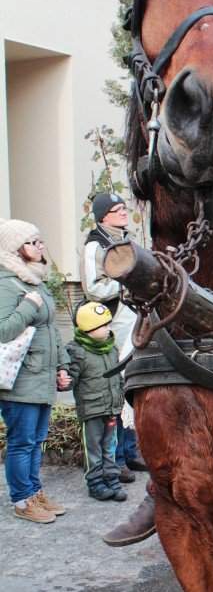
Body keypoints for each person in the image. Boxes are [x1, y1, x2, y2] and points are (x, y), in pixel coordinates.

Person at [0, 219, 70, 524]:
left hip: (41, 373)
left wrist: (62, 365)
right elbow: (3, 330)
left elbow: (52, 329)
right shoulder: (6, 282)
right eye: (32, 242)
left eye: (40, 241)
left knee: (37, 438)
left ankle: (34, 492)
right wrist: (28, 306)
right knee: (22, 440)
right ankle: (22, 500)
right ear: (15, 247)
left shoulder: (35, 280)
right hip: (20, 377)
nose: (40, 246)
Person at [81, 192, 145, 481]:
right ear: (103, 216)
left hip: (131, 321)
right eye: (117, 210)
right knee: (115, 390)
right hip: (112, 324)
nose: (123, 213)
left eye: (123, 208)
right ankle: (115, 459)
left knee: (131, 384)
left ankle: (131, 452)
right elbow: (94, 289)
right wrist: (125, 286)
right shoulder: (95, 245)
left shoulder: (124, 240)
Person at [66, 301, 127, 502]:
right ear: (88, 328)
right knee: (94, 449)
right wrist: (64, 380)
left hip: (111, 408)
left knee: (110, 446)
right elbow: (70, 379)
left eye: (108, 324)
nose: (108, 328)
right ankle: (95, 482)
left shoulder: (111, 348)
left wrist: (121, 397)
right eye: (104, 325)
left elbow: (117, 377)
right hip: (92, 410)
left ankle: (112, 478)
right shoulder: (77, 351)